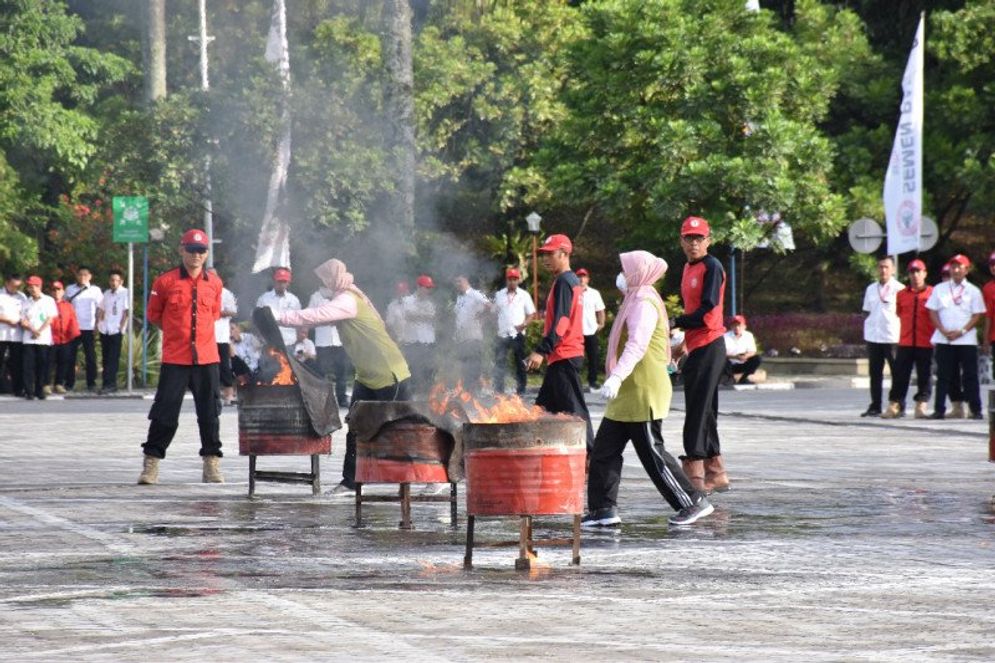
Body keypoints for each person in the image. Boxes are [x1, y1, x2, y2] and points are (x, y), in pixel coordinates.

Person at [583, 251, 713, 530]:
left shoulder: (642, 302)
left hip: (642, 390)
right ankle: (603, 509)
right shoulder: (635, 298)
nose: (621, 275)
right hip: (628, 393)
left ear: (637, 272)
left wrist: (616, 377)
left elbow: (637, 345)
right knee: (604, 452)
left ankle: (692, 502)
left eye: (625, 270)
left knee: (653, 454)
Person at [276, 258, 412, 496]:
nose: (323, 284)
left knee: (401, 429)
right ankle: (350, 481)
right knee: (356, 427)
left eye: (325, 279)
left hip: (390, 372)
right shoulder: (343, 299)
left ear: (334, 278)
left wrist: (278, 316)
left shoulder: (348, 299)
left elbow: (315, 316)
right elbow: (320, 317)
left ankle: (432, 474)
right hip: (367, 375)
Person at [138, 229, 225, 485]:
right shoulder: (165, 282)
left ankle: (211, 464)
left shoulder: (215, 284)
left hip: (207, 358)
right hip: (176, 358)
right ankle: (151, 463)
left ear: (207, 253)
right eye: (191, 250)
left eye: (201, 251)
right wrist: (178, 333)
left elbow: (215, 314)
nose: (196, 255)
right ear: (181, 250)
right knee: (165, 413)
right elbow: (154, 315)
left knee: (209, 414)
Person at [673, 216, 729, 493]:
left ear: (708, 240)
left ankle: (694, 471)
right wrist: (683, 343)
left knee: (697, 409)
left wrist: (676, 322)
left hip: (710, 344)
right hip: (697, 345)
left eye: (699, 238)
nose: (694, 243)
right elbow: (692, 310)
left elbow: (707, 311)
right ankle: (715, 471)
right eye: (689, 238)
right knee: (705, 410)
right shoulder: (687, 267)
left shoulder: (712, 266)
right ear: (681, 241)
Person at [525, 234, 594, 450]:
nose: (545, 259)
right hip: (561, 357)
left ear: (564, 254)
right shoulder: (569, 281)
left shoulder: (565, 281)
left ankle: (593, 457)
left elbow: (562, 322)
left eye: (550, 254)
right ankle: (542, 454)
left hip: (565, 356)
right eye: (543, 254)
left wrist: (542, 350)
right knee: (542, 411)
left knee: (575, 412)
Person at [926, 254, 985, 420]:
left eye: (960, 266)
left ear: (966, 270)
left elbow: (977, 315)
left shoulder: (973, 291)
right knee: (944, 375)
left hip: (966, 339)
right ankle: (939, 409)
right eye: (953, 266)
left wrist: (962, 331)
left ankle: (975, 409)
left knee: (970, 375)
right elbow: (932, 311)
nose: (956, 270)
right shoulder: (940, 288)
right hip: (944, 338)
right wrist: (943, 330)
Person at [883, 259, 934, 419]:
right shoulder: (902, 294)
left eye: (918, 271)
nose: (915, 275)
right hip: (906, 341)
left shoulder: (932, 293)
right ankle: (896, 404)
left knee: (925, 375)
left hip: (925, 341)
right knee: (900, 375)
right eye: (912, 272)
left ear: (925, 273)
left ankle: (921, 404)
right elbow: (899, 313)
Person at [860, 256, 904, 416]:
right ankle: (875, 405)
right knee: (875, 373)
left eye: (886, 267)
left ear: (893, 270)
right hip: (874, 335)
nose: (883, 270)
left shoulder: (900, 289)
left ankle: (898, 404)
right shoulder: (871, 288)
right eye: (880, 267)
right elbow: (867, 310)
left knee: (896, 372)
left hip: (892, 336)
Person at [493, 267, 535, 395]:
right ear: (506, 280)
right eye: (510, 279)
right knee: (500, 363)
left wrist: (524, 324)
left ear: (518, 280)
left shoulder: (524, 295)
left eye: (515, 279)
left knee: (520, 363)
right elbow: (493, 312)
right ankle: (499, 391)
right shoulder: (499, 294)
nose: (512, 282)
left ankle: (521, 390)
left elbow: (531, 314)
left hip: (518, 334)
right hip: (502, 334)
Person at [309, 286, 353, 407]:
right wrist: (324, 319)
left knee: (342, 372)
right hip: (323, 340)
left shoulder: (341, 296)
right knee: (321, 373)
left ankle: (342, 399)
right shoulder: (316, 297)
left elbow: (349, 315)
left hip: (339, 339)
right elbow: (310, 316)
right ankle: (322, 401)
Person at [19, 276, 58, 400]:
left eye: (34, 286)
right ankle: (29, 391)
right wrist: (32, 330)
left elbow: (50, 318)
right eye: (30, 286)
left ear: (39, 286)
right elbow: (23, 320)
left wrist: (39, 331)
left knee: (42, 365)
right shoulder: (26, 302)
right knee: (28, 366)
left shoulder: (48, 300)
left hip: (43, 338)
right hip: (28, 338)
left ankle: (39, 390)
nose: (32, 289)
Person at [65, 266, 102, 392]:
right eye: (80, 274)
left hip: (88, 327)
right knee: (70, 356)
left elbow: (100, 309)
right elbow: (65, 306)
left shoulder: (95, 290)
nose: (82, 277)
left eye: (85, 275)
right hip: (73, 327)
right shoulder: (70, 289)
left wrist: (97, 325)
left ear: (90, 276)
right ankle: (69, 382)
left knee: (90, 356)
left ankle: (91, 382)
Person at [453, 274, 491, 391]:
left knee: (473, 367)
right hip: (462, 338)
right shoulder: (460, 298)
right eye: (456, 282)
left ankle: (476, 394)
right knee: (464, 368)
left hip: (474, 337)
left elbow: (489, 306)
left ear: (466, 280)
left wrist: (482, 318)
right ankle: (467, 392)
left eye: (459, 281)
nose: (457, 284)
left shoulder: (475, 294)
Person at [401, 275, 437, 394]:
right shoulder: (407, 300)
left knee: (429, 370)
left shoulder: (430, 304)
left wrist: (419, 315)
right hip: (413, 342)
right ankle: (412, 396)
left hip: (428, 342)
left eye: (429, 288)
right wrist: (424, 315)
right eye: (426, 287)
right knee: (413, 371)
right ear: (419, 287)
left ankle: (428, 396)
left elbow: (433, 317)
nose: (428, 290)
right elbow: (409, 315)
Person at [96, 269, 129, 394]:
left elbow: (126, 312)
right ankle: (106, 383)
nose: (113, 282)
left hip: (116, 330)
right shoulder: (107, 293)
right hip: (105, 329)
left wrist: (121, 328)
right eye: (111, 280)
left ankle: (111, 384)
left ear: (121, 281)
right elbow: (101, 309)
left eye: (116, 280)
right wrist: (98, 324)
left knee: (112, 359)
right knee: (105, 358)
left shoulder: (125, 293)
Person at [576, 268, 606, 392]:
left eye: (584, 277)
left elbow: (600, 310)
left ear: (588, 279)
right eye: (579, 277)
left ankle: (592, 382)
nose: (582, 279)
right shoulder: (573, 292)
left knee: (593, 357)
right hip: (576, 332)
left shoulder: (594, 293)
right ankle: (576, 382)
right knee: (576, 358)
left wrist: (602, 323)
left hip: (590, 330)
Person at [48, 281, 80, 394]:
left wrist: (74, 336)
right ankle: (46, 384)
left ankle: (59, 383)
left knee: (64, 362)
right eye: (53, 290)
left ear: (62, 292)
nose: (56, 292)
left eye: (58, 290)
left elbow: (73, 320)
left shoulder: (68, 305)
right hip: (51, 339)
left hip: (66, 339)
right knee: (49, 363)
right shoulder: (47, 304)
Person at [255, 267, 300, 348]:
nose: (282, 284)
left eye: (284, 281)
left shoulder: (294, 300)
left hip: (289, 342)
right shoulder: (263, 298)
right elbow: (257, 320)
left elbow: (299, 321)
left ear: (288, 283)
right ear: (274, 281)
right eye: (279, 281)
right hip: (269, 343)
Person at [0, 274, 27, 396]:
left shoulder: (22, 297)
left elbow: (26, 313)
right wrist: (7, 321)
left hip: (17, 335)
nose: (15, 288)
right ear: (7, 283)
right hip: (1, 333)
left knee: (17, 362)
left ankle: (17, 389)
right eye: (13, 285)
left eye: (18, 286)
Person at [215, 282, 238, 405]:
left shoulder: (225, 293)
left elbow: (234, 312)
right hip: (204, 336)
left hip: (221, 335)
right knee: (206, 367)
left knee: (224, 365)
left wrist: (218, 312)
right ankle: (211, 394)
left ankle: (229, 394)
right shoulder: (200, 289)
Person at [723, 314, 763, 384]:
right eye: (734, 325)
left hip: (743, 363)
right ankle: (730, 378)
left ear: (744, 327)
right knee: (722, 360)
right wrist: (735, 357)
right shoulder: (725, 336)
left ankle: (744, 378)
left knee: (758, 359)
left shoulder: (749, 335)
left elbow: (753, 351)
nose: (737, 327)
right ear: (731, 327)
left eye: (739, 325)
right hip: (729, 365)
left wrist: (746, 356)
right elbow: (722, 353)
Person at [982, 251, 995, 377]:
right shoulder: (988, 288)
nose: (994, 267)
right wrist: (985, 339)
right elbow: (988, 316)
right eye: (992, 264)